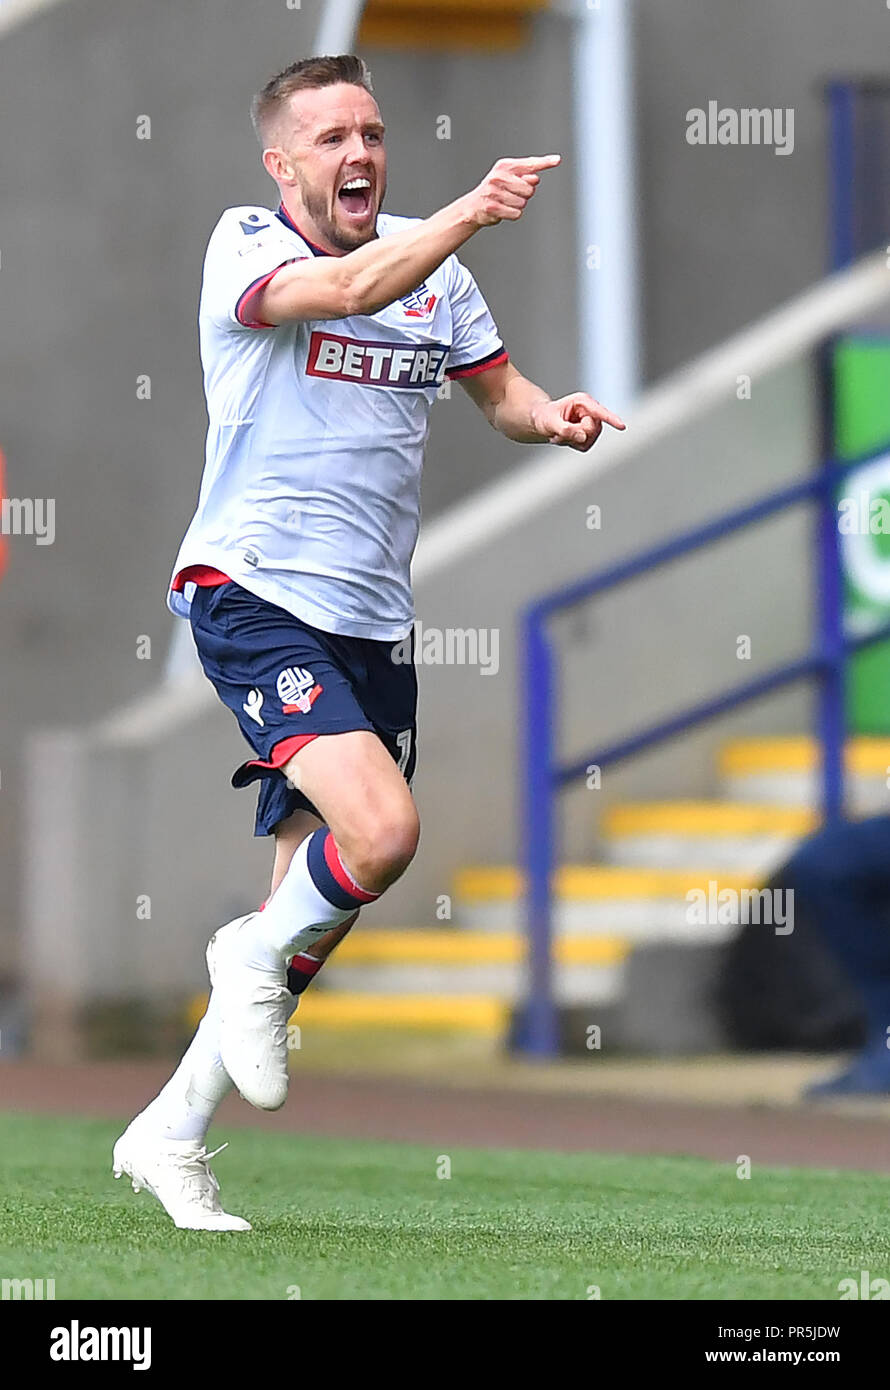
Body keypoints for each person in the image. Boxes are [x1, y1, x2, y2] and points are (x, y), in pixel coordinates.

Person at [112, 53, 625, 1230]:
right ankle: (239, 964)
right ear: (280, 161)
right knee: (382, 833)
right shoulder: (247, 244)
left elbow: (495, 395)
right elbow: (341, 294)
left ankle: (169, 1133)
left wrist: (551, 418)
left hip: (373, 619)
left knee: (305, 910)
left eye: (373, 133)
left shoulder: (433, 272)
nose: (359, 154)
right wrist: (465, 212)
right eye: (331, 137)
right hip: (253, 590)